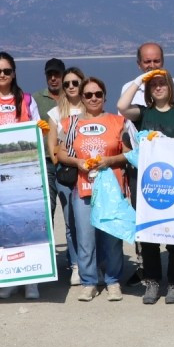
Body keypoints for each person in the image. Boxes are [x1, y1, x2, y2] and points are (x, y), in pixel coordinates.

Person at [118, 69, 174, 304]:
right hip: (146, 183)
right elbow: (121, 106)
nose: (158, 87)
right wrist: (140, 79)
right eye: (154, 85)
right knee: (148, 234)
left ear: (171, 87)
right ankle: (151, 281)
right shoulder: (142, 113)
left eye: (162, 83)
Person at [56, 77, 134, 301]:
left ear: (104, 97)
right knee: (85, 237)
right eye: (88, 94)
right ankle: (89, 281)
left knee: (111, 237)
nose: (93, 98)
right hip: (83, 187)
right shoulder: (69, 124)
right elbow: (60, 153)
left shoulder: (118, 122)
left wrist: (109, 161)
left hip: (111, 188)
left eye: (97, 94)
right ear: (81, 97)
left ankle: (113, 281)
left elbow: (127, 153)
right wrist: (77, 162)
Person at [0, 52, 43, 301]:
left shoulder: (25, 99)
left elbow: (38, 130)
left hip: (23, 174)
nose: (2, 75)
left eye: (7, 71)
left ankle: (32, 279)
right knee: (2, 227)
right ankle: (9, 277)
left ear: (14, 73)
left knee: (25, 224)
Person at [49, 67, 87, 286]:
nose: (71, 87)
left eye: (75, 82)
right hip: (67, 174)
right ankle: (75, 265)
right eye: (67, 84)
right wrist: (61, 163)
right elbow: (52, 143)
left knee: (90, 222)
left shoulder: (91, 107)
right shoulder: (56, 113)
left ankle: (92, 263)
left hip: (90, 173)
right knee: (71, 222)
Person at [118, 42, 174, 122]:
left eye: (156, 61)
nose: (152, 66)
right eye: (147, 62)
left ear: (162, 61)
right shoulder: (129, 88)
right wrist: (139, 80)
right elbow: (122, 121)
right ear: (139, 64)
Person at [33, 57, 66, 220]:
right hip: (46, 161)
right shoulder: (36, 99)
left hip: (69, 161)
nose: (53, 78)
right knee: (48, 206)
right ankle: (50, 244)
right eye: (49, 75)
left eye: (57, 74)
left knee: (70, 209)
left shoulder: (73, 96)